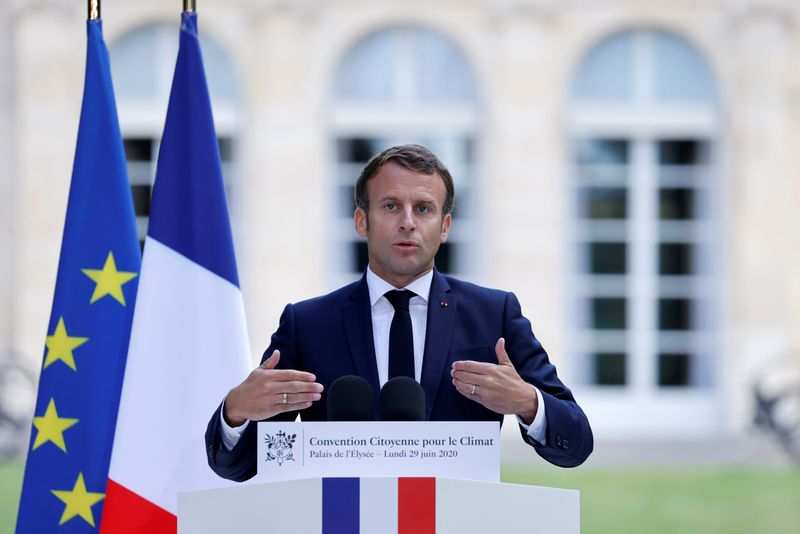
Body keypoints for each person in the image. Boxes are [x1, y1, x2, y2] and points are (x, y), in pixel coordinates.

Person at [205, 144, 592, 481]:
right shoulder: (308, 324)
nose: (407, 221)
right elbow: (239, 466)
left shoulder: (494, 315)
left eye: (423, 208)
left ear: (444, 227)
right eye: (391, 206)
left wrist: (528, 403)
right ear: (362, 221)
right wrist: (236, 412)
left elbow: (576, 444)